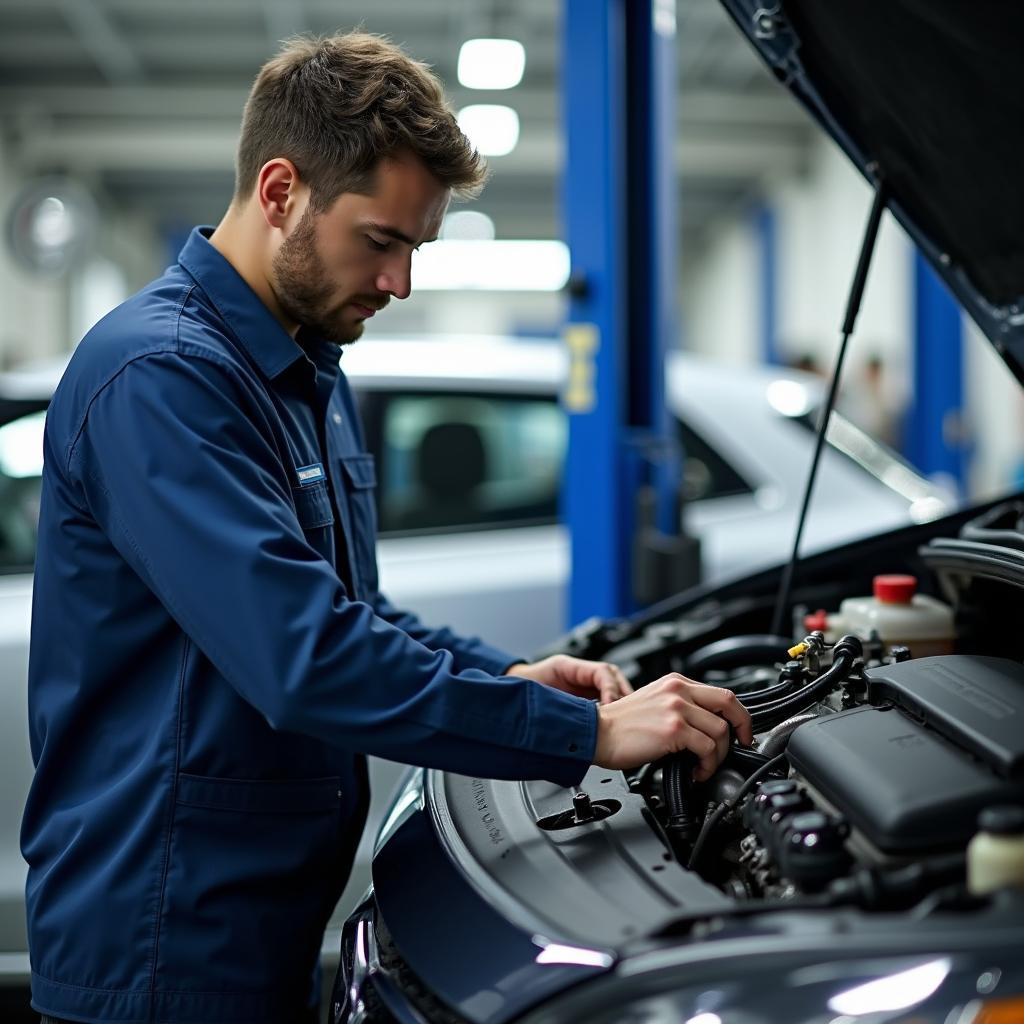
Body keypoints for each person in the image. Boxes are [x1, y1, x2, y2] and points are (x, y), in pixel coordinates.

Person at [22, 31, 751, 1024]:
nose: (400, 282)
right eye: (381, 240)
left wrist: (509, 676)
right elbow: (307, 657)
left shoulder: (304, 368)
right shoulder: (164, 377)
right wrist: (584, 733)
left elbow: (353, 614)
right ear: (280, 191)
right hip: (165, 937)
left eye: (417, 247)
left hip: (259, 917)